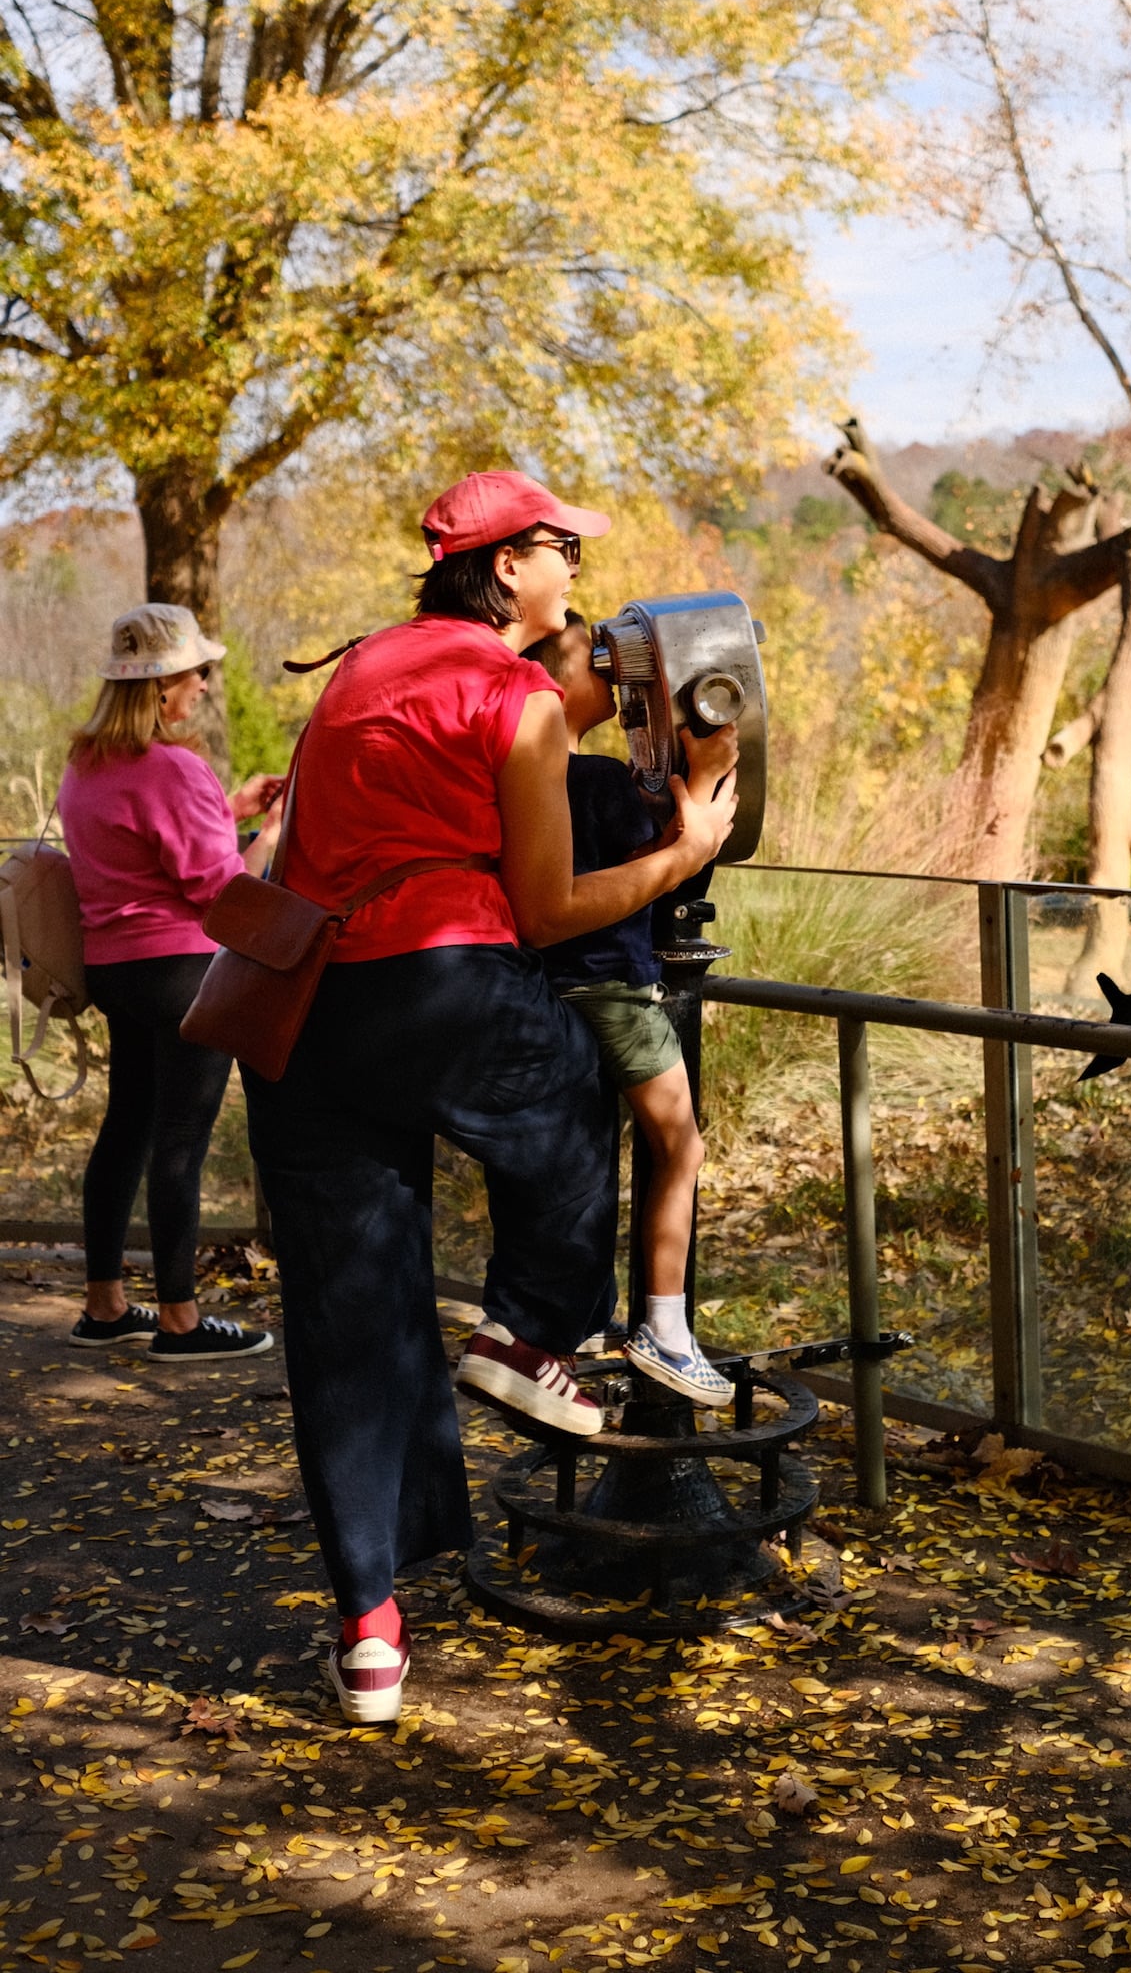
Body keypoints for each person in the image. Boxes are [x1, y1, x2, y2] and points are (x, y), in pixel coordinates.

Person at [241, 470, 738, 1726]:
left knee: (351, 1325)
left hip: (306, 1012)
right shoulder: (510, 692)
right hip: (437, 980)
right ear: (508, 566)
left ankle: (369, 1633)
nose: (576, 569)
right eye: (563, 549)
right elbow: (551, 908)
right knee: (576, 1101)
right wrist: (685, 850)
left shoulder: (363, 669)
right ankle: (523, 1335)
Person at [58, 604, 286, 1362]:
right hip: (183, 973)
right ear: (160, 688)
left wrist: (232, 811)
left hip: (116, 970)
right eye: (196, 673)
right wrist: (274, 838)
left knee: (127, 1126)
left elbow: (144, 844)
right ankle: (181, 1322)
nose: (203, 686)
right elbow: (219, 892)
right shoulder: (175, 766)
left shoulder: (84, 765)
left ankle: (104, 1306)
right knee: (181, 1141)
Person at [525, 612, 733, 1408]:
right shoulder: (602, 782)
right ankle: (666, 1330)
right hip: (615, 987)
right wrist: (708, 774)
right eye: (593, 659)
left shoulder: (532, 781)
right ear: (550, 683)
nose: (613, 672)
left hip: (545, 990)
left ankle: (572, 1334)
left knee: (590, 1162)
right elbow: (679, 862)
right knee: (681, 1149)